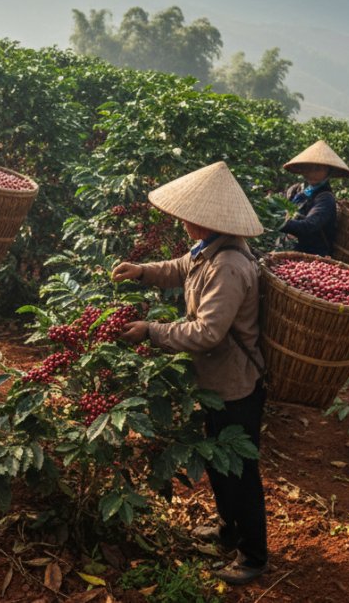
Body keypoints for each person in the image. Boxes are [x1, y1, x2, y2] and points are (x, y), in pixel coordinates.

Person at [111, 161, 269, 586]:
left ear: (206, 220)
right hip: (215, 382)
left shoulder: (229, 266)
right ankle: (227, 532)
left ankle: (253, 555)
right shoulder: (210, 250)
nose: (182, 221)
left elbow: (208, 333)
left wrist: (151, 331)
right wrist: (142, 271)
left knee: (239, 473)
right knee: (219, 466)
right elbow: (182, 267)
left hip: (235, 385)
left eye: (188, 215)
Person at [278, 139, 349, 257]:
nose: (312, 172)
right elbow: (279, 205)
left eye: (318, 168)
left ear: (328, 171)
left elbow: (309, 226)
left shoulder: (325, 198)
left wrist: (278, 222)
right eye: (309, 168)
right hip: (286, 249)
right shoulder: (296, 190)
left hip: (311, 257)